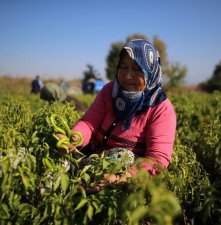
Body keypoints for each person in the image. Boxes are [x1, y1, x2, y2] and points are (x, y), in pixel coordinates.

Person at [59, 39, 176, 193]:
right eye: (123, 67)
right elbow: (89, 123)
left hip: (122, 170)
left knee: (123, 155)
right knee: (57, 158)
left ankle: (93, 188)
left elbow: (156, 159)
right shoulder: (110, 90)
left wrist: (120, 178)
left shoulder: (161, 109)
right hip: (93, 153)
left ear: (150, 71)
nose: (128, 75)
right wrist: (76, 137)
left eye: (137, 69)